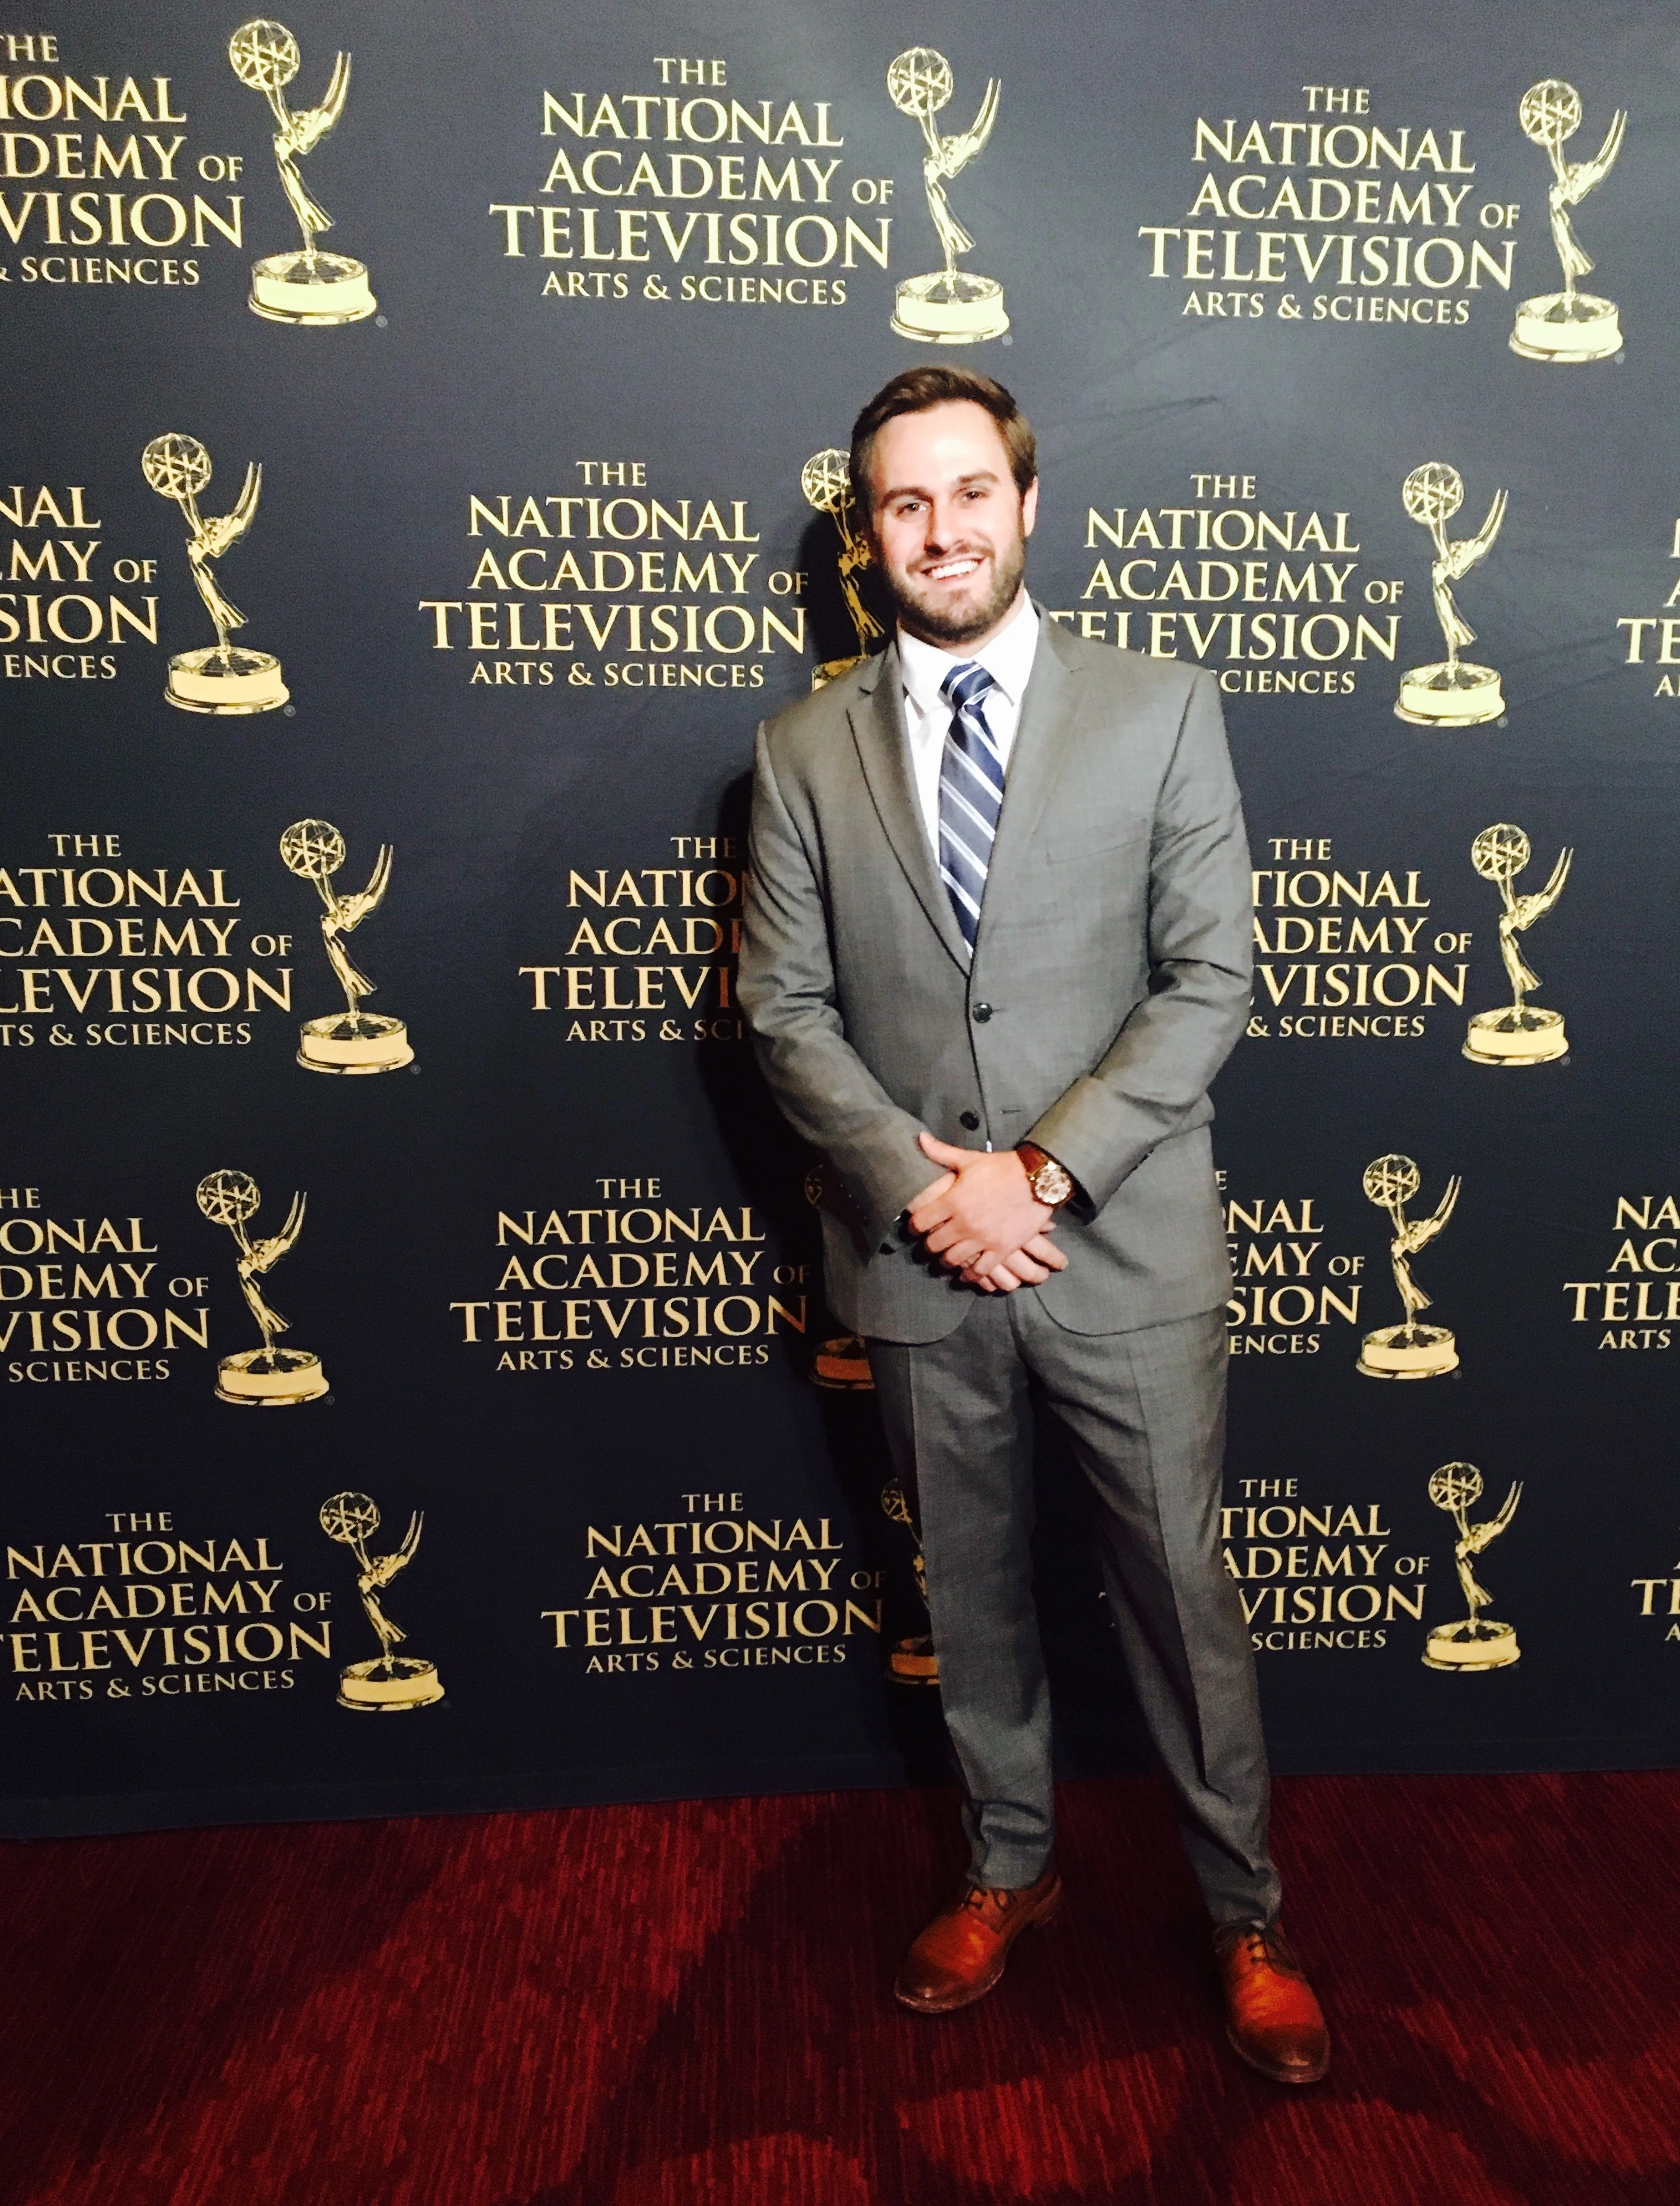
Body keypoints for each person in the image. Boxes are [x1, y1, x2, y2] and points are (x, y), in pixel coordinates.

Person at [736, 365, 1328, 2086]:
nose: (942, 529)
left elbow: (1212, 975)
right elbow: (782, 1010)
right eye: (904, 504)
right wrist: (931, 1191)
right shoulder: (799, 753)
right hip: (924, 1261)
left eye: (970, 492)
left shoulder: (1159, 707)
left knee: (1181, 1595)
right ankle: (1009, 1866)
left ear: (1027, 503)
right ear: (869, 536)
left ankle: (1248, 1913)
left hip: (1119, 1252)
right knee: (969, 1595)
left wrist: (1042, 1174)